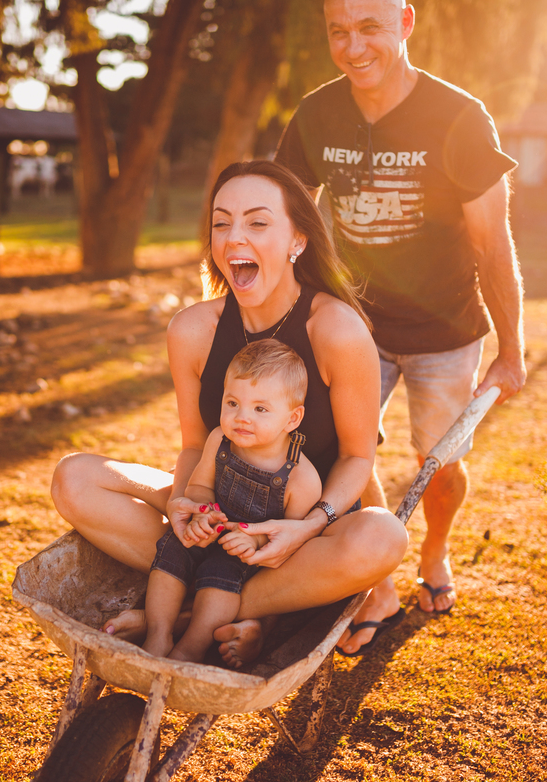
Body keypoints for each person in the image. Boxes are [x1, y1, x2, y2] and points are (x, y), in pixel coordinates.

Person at [51, 159, 408, 665]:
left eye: (257, 222)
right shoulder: (192, 330)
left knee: (384, 536)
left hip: (299, 528)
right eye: (222, 223)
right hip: (215, 512)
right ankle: (232, 603)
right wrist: (181, 503)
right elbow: (196, 445)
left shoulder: (336, 330)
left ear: (297, 240)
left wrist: (306, 527)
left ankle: (180, 614)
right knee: (74, 478)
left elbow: (357, 456)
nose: (234, 236)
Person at [274, 0, 527, 648]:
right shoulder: (317, 114)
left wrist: (512, 348)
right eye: (338, 32)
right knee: (334, 450)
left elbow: (491, 242)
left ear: (406, 23)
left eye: (370, 28)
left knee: (436, 463)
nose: (353, 47)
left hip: (445, 330)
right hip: (356, 325)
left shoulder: (459, 117)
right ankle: (378, 587)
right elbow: (285, 216)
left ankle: (434, 552)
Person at [143, 340, 323, 663]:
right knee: (173, 548)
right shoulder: (219, 441)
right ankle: (158, 633)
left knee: (220, 573)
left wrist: (254, 538)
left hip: (246, 562)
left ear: (293, 419)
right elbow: (200, 486)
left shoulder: (302, 478)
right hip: (209, 532)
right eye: (233, 403)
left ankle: (191, 648)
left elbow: (291, 540)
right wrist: (201, 513)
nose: (242, 417)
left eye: (260, 409)